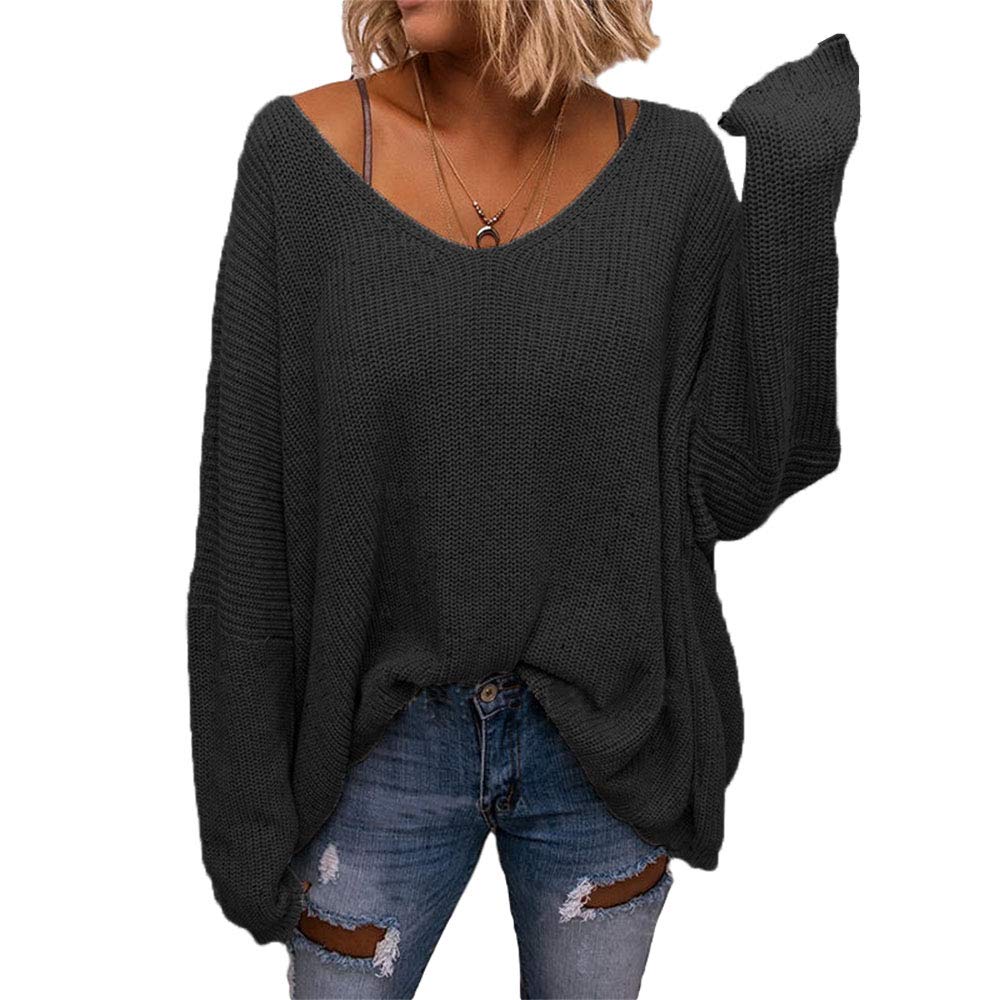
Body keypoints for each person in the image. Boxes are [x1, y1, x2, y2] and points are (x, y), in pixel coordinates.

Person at [185, 1, 860, 997]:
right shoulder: (301, 158)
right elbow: (246, 515)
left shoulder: (671, 172)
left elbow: (737, 479)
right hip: (373, 751)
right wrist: (245, 828)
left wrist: (794, 187)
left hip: (606, 752)